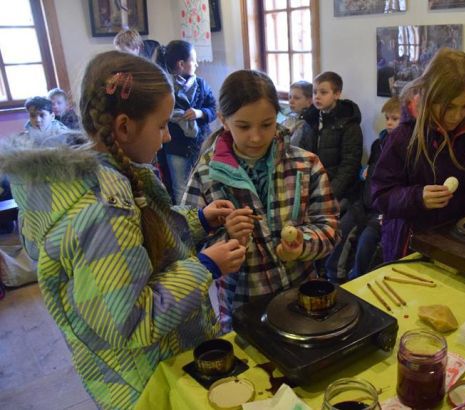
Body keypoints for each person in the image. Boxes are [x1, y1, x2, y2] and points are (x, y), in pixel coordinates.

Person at [0, 51, 246, 409]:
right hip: (142, 385)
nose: (165, 138)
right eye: (161, 126)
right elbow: (130, 321)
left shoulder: (109, 179)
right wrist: (206, 266)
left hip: (150, 366)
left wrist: (200, 220)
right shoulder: (105, 211)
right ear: (124, 127)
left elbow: (145, 240)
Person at [183, 70, 339, 333]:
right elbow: (188, 246)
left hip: (302, 301)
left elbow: (330, 228)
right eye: (243, 126)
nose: (256, 137)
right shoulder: (206, 172)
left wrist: (302, 244)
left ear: (277, 118)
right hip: (242, 307)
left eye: (266, 124)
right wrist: (228, 239)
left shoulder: (306, 164)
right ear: (223, 120)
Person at [371, 48, 465, 262]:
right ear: (429, 96)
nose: (457, 116)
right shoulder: (404, 136)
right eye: (449, 107)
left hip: (463, 242)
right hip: (412, 247)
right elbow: (379, 196)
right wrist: (418, 198)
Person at [325, 97, 401, 282]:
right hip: (365, 201)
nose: (389, 123)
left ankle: (356, 280)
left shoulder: (404, 149)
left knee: (366, 241)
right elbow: (369, 171)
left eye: (395, 119)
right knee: (340, 229)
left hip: (382, 211)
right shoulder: (379, 144)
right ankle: (333, 276)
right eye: (388, 118)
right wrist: (364, 172)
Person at [156, 40, 217, 203]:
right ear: (181, 64)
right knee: (180, 188)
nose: (197, 63)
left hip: (201, 144)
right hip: (175, 148)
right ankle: (186, 224)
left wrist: (200, 113)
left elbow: (213, 108)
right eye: (193, 60)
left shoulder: (201, 84)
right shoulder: (163, 88)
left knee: (206, 183)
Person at [297, 71, 364, 206]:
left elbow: (349, 165)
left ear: (337, 94)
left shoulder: (349, 124)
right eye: (315, 92)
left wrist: (330, 194)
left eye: (323, 92)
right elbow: (301, 154)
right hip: (311, 184)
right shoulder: (310, 120)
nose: (317, 97)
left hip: (337, 189)